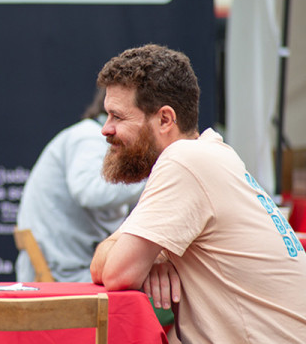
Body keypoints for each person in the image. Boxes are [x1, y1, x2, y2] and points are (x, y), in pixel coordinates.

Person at [89, 44, 306, 342]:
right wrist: (150, 259)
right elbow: (110, 264)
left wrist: (140, 257)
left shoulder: (184, 161)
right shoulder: (211, 153)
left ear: (165, 119)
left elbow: (114, 273)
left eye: (117, 116)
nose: (105, 129)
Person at [15, 88, 144, 283]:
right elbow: (89, 192)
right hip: (66, 273)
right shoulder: (87, 137)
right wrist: (156, 180)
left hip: (71, 266)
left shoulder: (88, 135)